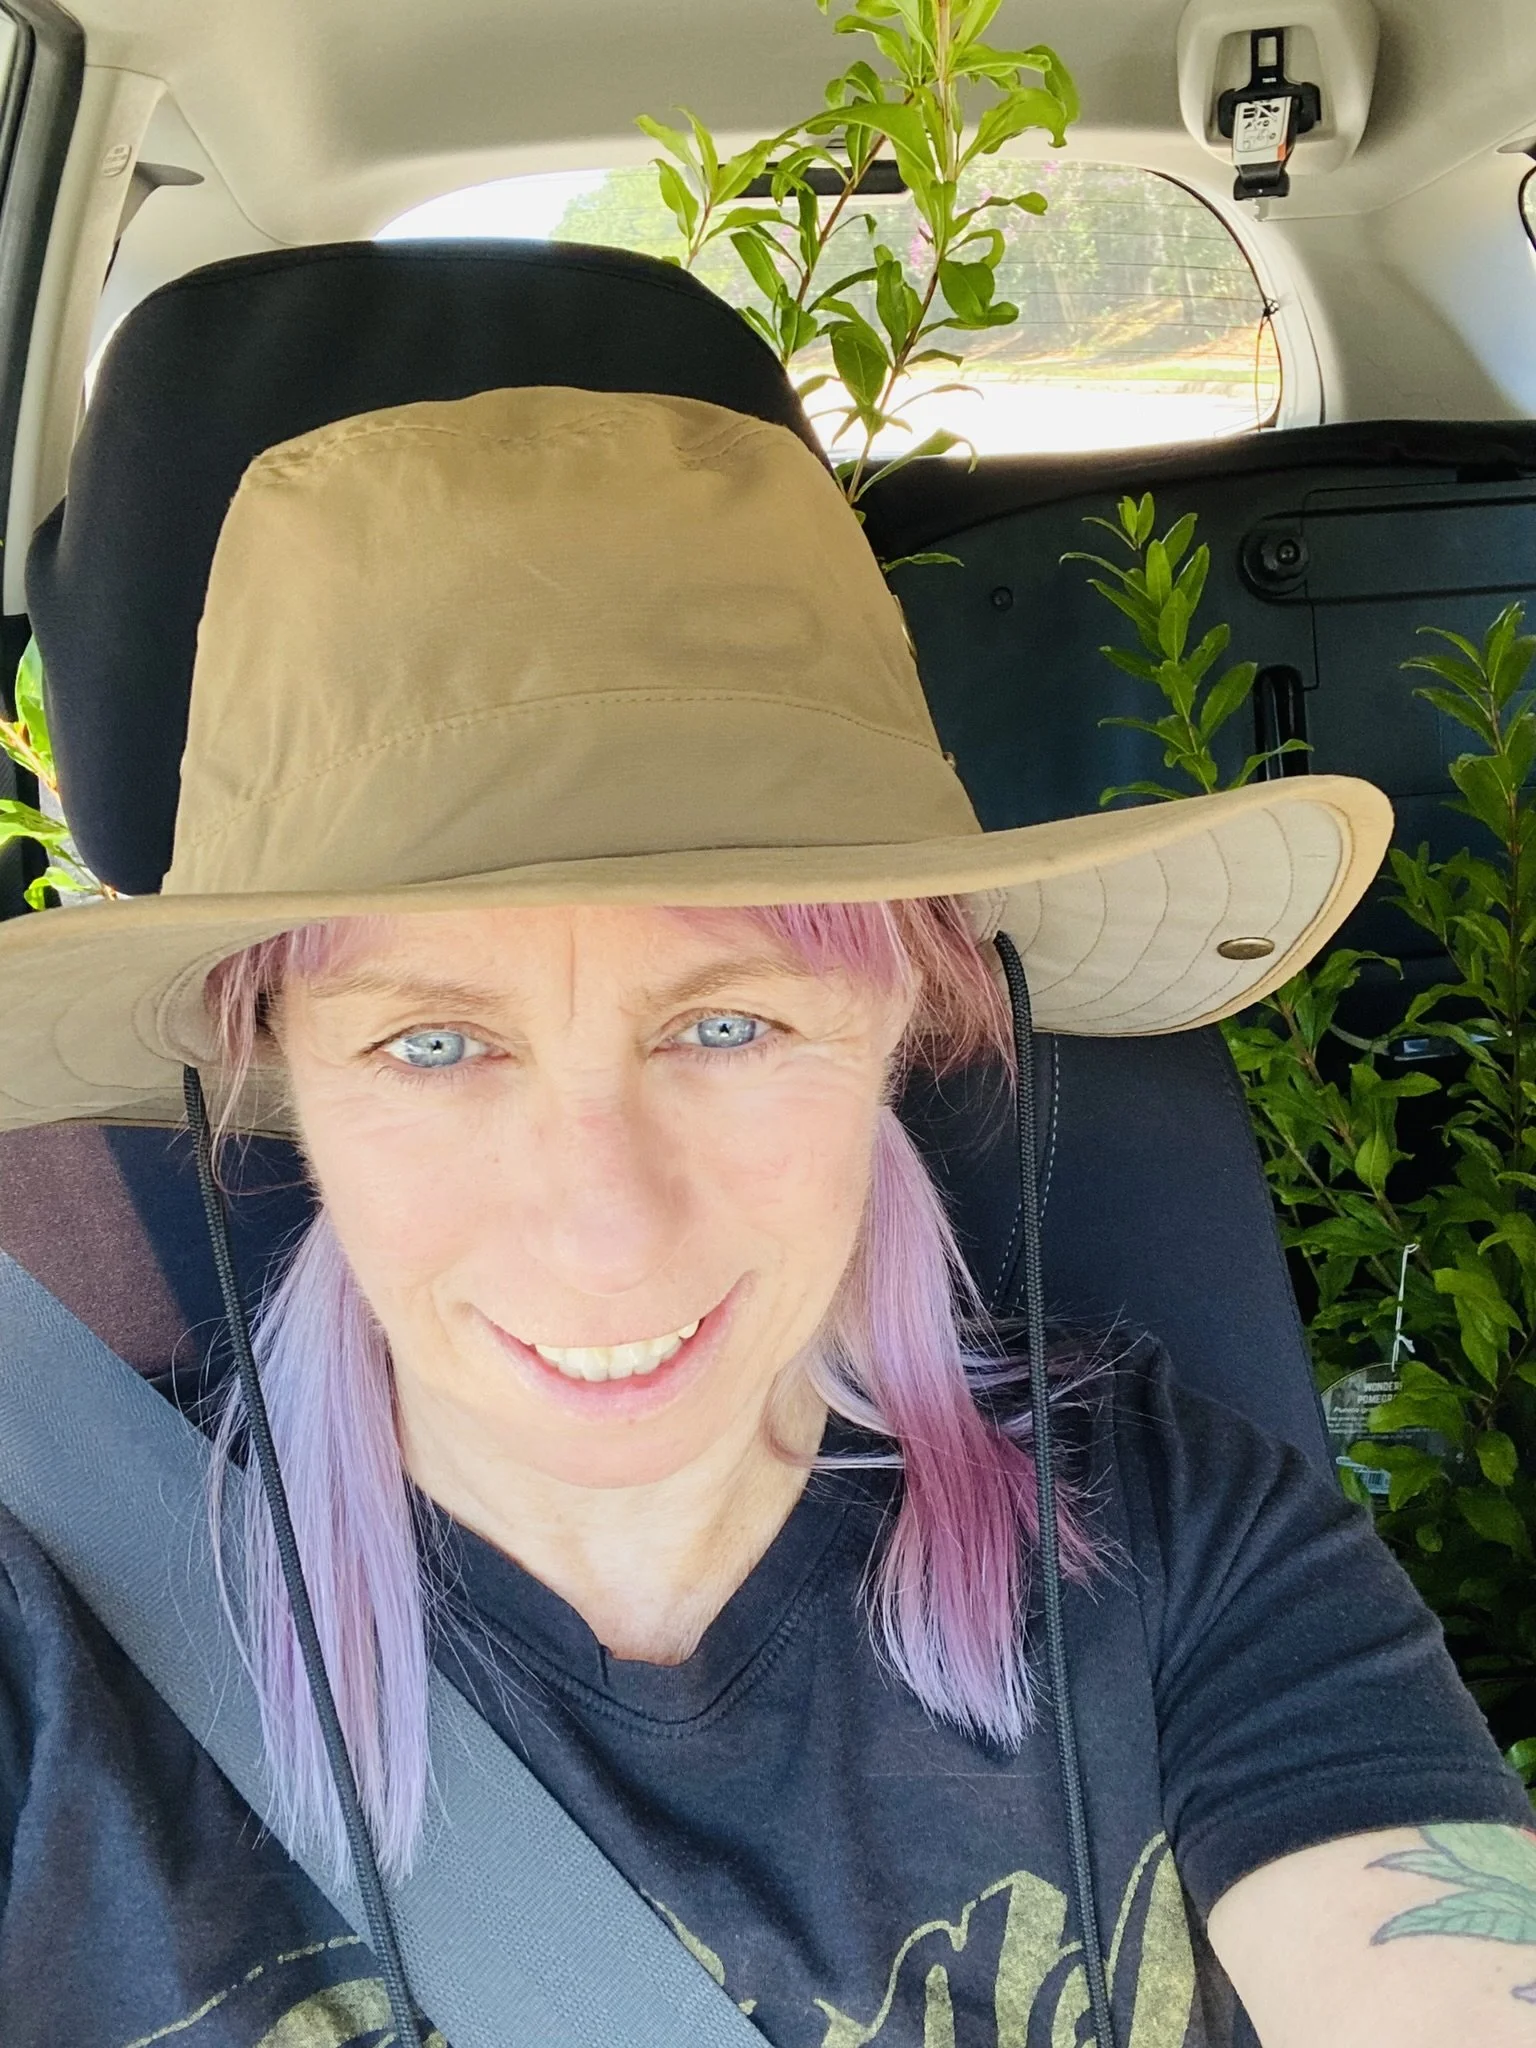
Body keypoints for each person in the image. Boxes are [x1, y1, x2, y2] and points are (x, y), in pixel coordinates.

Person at [0, 383, 1528, 2048]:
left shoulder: (1176, 1544)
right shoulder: (56, 1637)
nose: (603, 1233)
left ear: (914, 1018)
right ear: (273, 1062)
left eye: (729, 1026)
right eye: (434, 1043)